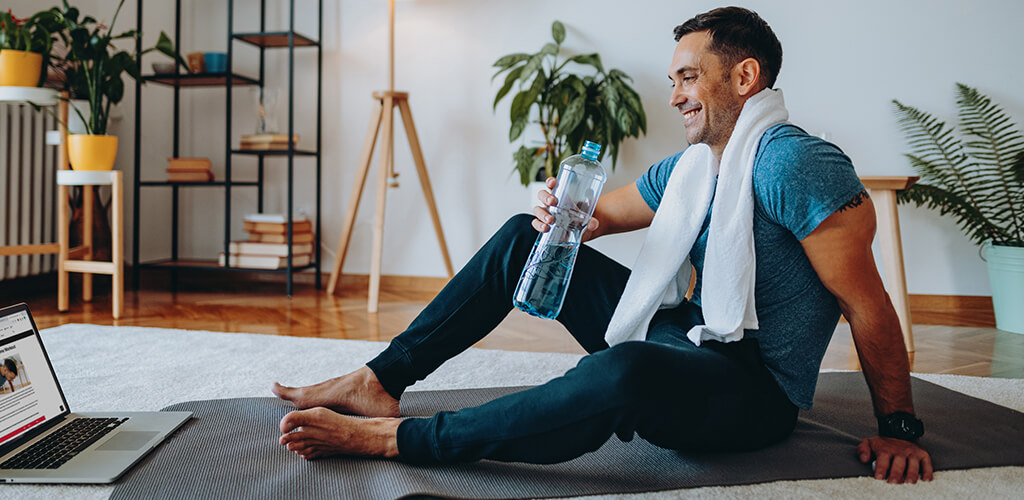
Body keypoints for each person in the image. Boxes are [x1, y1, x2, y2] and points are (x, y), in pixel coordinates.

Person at [273, 6, 933, 484]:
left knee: (623, 372)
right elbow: (599, 215)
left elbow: (868, 304)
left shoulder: (795, 164)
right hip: (688, 335)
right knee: (519, 242)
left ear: (744, 77)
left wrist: (900, 429)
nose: (673, 95)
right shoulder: (696, 165)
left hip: (752, 390)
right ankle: (377, 381)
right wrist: (563, 214)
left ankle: (398, 440)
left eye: (686, 78)